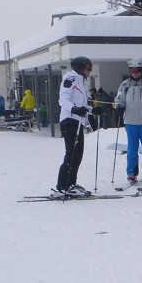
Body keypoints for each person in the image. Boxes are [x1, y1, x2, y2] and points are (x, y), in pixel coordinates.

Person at [56, 56, 94, 196]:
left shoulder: (80, 81)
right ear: (79, 67)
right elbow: (63, 100)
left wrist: (92, 110)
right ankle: (63, 185)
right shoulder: (70, 79)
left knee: (78, 154)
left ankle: (71, 182)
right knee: (71, 154)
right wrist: (74, 109)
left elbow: (81, 105)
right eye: (88, 68)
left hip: (77, 121)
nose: (89, 72)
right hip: (69, 120)